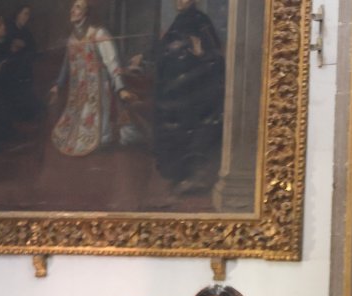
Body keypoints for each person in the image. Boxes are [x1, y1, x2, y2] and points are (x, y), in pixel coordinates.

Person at [149, 0, 224, 194]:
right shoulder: (180, 20)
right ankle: (180, 177)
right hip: (174, 92)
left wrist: (202, 52)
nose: (178, 1)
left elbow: (215, 57)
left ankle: (193, 179)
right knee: (173, 136)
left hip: (192, 93)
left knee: (190, 136)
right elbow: (166, 49)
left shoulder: (201, 21)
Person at [49, 0, 137, 156]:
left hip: (100, 86)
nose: (72, 10)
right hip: (78, 89)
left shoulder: (99, 33)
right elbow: (66, 65)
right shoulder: (72, 38)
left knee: (101, 128)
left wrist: (121, 88)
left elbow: (112, 63)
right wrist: (58, 84)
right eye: (73, 6)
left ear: (86, 13)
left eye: (78, 7)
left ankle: (104, 139)